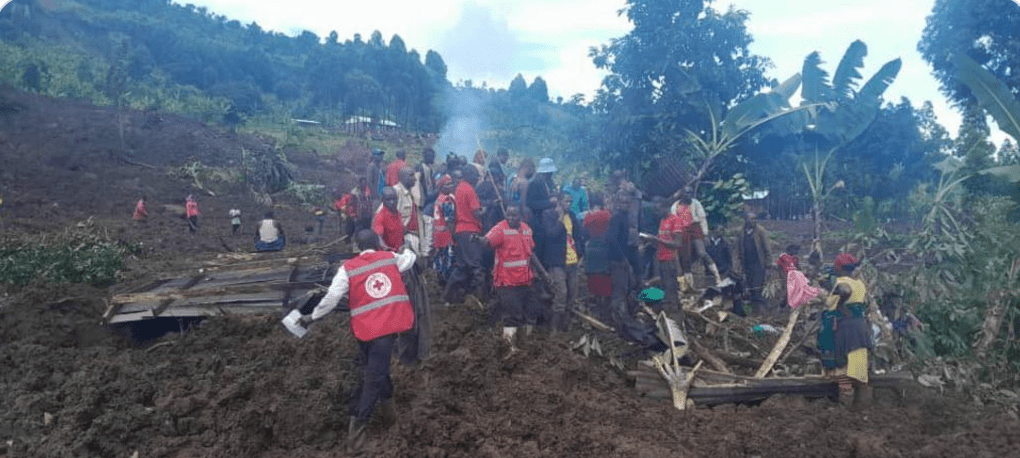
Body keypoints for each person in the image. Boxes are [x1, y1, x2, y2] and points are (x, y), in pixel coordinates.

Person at [299, 229, 416, 451]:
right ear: (378, 243)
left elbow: (332, 297)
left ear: (356, 247)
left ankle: (390, 417)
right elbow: (410, 260)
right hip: (386, 330)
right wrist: (407, 249)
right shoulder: (390, 258)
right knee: (374, 378)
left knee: (378, 371)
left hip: (364, 332)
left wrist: (311, 316)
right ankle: (357, 438)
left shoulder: (348, 268)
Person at [818, 253, 873, 407]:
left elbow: (830, 304)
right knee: (859, 367)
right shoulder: (860, 284)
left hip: (845, 328)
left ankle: (845, 407)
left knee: (843, 368)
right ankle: (864, 406)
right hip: (860, 327)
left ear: (839, 268)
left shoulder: (841, 282)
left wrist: (824, 293)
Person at [480, 206, 535, 354]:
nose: (510, 218)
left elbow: (530, 253)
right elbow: (487, 242)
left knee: (524, 313)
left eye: (514, 215)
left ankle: (523, 345)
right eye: (508, 215)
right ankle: (508, 348)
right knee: (511, 315)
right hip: (506, 281)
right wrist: (478, 240)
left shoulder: (527, 230)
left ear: (521, 216)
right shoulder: (500, 229)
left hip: (524, 280)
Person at [444, 169, 485, 304]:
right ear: (469, 175)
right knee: (476, 266)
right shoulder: (469, 190)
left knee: (462, 266)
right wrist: (486, 209)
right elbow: (476, 213)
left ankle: (449, 297)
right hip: (470, 231)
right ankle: (480, 298)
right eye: (476, 175)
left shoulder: (459, 188)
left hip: (460, 231)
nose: (478, 177)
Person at [639, 196, 685, 313]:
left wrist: (656, 239)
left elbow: (677, 243)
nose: (656, 213)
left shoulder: (675, 220)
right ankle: (667, 309)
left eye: (658, 210)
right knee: (664, 285)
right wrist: (650, 241)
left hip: (670, 259)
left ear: (666, 208)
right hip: (661, 258)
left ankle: (674, 311)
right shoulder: (663, 221)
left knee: (671, 287)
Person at [672, 186, 722, 289]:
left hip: (695, 228)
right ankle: (689, 285)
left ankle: (717, 276)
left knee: (701, 252)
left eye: (690, 193)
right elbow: (673, 220)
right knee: (685, 257)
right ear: (682, 194)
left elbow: (702, 218)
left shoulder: (696, 203)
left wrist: (705, 234)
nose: (688, 195)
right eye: (686, 193)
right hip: (682, 231)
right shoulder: (675, 206)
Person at [583, 192, 613, 321]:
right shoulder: (607, 214)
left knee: (593, 278)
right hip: (604, 249)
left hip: (591, 250)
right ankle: (606, 312)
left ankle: (596, 309)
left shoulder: (587, 218)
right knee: (605, 278)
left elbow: (584, 233)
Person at [736, 212, 770, 311]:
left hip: (758, 263)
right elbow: (738, 248)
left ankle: (760, 307)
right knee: (748, 285)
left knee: (757, 286)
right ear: (746, 220)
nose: (753, 221)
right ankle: (752, 307)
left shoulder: (760, 231)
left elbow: (767, 249)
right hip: (746, 263)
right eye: (751, 219)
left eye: (755, 219)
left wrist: (768, 265)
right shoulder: (741, 232)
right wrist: (738, 264)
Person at [393, 166, 425, 254]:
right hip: (404, 238)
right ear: (402, 178)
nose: (414, 178)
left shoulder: (411, 192)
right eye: (411, 175)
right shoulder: (395, 192)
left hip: (414, 236)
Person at [776, 244, 819, 309]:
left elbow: (797, 267)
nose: (796, 252)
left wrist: (803, 274)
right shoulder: (783, 257)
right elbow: (779, 267)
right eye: (795, 250)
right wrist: (782, 277)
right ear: (789, 250)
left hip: (795, 275)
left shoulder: (795, 258)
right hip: (788, 276)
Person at [432, 175, 455, 280]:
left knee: (439, 258)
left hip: (437, 233)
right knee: (447, 259)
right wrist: (454, 236)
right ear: (441, 187)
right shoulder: (446, 200)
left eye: (451, 183)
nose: (450, 186)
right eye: (447, 184)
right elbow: (449, 220)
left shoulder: (439, 198)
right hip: (445, 233)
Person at [526, 157, 558, 226]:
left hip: (549, 218)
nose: (550, 175)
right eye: (549, 173)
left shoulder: (550, 183)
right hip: (538, 219)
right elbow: (530, 203)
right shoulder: (534, 183)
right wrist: (549, 202)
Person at [372, 187, 406, 251]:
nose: (392, 202)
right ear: (382, 200)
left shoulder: (399, 214)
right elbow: (379, 240)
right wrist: (390, 250)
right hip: (388, 256)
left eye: (394, 199)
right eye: (388, 199)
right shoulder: (380, 216)